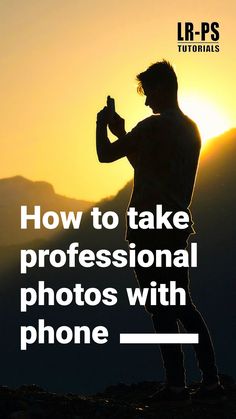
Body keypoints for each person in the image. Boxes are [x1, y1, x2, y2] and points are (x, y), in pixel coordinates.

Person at [96, 60, 225, 405]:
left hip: (149, 230)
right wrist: (125, 134)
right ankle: (210, 381)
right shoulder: (192, 128)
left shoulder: (152, 127)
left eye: (146, 91)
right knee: (182, 304)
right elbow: (148, 167)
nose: (145, 100)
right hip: (176, 227)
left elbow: (104, 156)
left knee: (159, 308)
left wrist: (101, 126)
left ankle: (176, 387)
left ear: (162, 89)